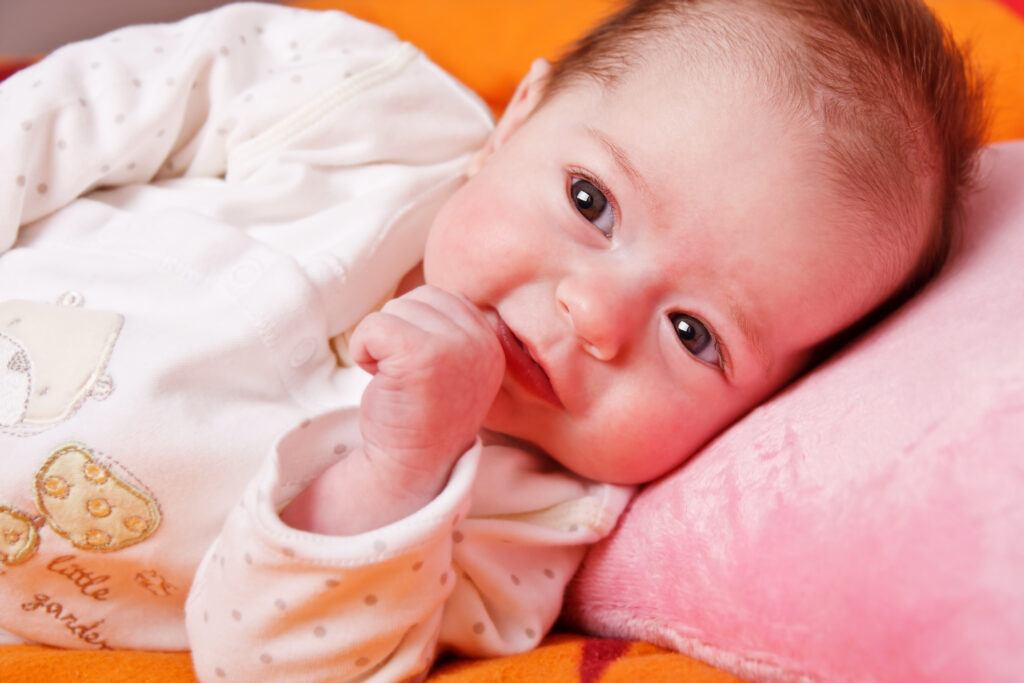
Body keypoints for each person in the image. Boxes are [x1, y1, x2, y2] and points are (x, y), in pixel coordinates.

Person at [0, 0, 982, 680]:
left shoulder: (531, 525)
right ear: (519, 118)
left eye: (693, 333)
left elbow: (267, 661)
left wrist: (401, 465)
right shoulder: (368, 107)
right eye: (590, 202)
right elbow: (108, 99)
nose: (593, 317)